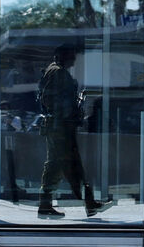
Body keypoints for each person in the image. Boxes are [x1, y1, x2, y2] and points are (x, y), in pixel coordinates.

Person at [37, 44, 105, 218]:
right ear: (63, 56)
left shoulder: (53, 71)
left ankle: (45, 204)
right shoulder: (59, 73)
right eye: (72, 56)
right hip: (61, 127)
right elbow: (60, 102)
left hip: (56, 125)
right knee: (73, 165)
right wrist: (74, 114)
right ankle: (89, 204)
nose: (74, 60)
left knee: (53, 165)